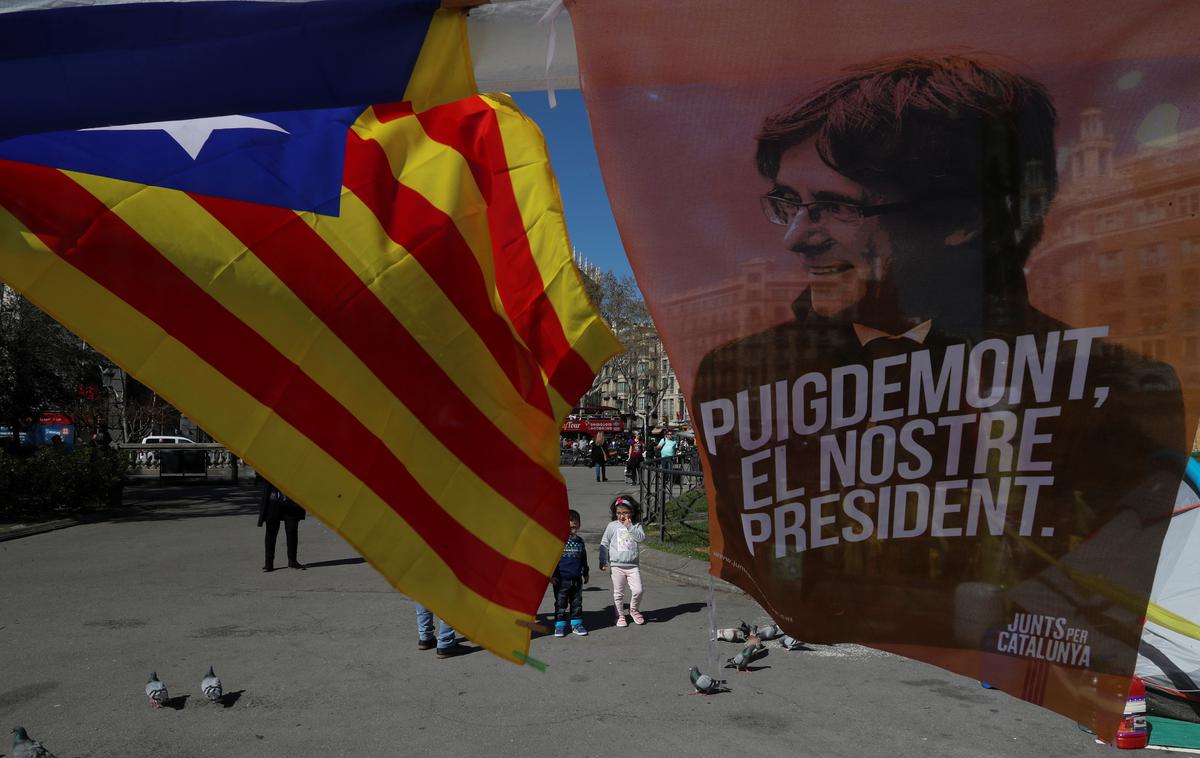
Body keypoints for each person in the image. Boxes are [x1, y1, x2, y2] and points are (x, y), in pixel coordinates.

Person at [691, 55, 1185, 652]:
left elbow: (1101, 597)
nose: (797, 236)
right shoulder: (735, 378)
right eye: (787, 202)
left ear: (962, 217)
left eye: (838, 205)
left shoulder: (1116, 388)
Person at [599, 495, 646, 627]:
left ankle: (634, 610)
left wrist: (630, 527)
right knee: (618, 593)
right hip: (616, 566)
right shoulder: (612, 526)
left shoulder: (636, 525)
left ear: (632, 512)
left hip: (632, 566)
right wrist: (603, 560)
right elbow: (604, 543)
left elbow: (641, 538)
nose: (622, 516)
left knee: (638, 590)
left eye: (625, 512)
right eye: (619, 513)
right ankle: (619, 615)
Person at [552, 509, 590, 637]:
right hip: (561, 579)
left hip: (576, 579)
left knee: (577, 603)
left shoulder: (580, 542)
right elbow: (552, 560)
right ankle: (559, 625)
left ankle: (576, 624)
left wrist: (586, 572)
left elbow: (583, 559)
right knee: (560, 604)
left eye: (575, 523)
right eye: (569, 523)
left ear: (579, 525)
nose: (572, 525)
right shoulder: (558, 542)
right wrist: (552, 576)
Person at [258, 480, 307, 571]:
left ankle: (292, 561)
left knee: (292, 530)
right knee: (271, 532)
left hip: (291, 502)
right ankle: (269, 563)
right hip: (273, 501)